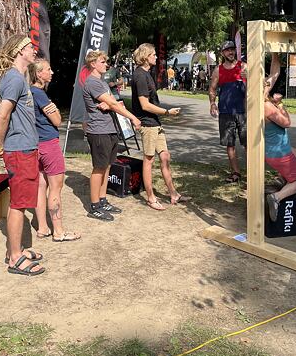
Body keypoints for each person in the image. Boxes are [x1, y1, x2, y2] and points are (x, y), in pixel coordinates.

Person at [0, 35, 44, 276]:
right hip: (19, 150)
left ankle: (16, 249)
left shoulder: (18, 78)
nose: (34, 50)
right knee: (19, 204)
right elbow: (2, 116)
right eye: (30, 47)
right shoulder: (14, 78)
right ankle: (14, 258)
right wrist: (0, 145)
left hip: (25, 149)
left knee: (22, 202)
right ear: (19, 51)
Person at [82, 50, 141, 221]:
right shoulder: (92, 82)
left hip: (109, 129)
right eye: (102, 62)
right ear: (93, 64)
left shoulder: (101, 82)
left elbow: (111, 103)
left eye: (106, 62)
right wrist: (133, 118)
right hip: (99, 131)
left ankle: (102, 200)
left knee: (107, 166)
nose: (106, 65)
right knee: (99, 168)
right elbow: (113, 103)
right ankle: (94, 206)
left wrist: (109, 104)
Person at [131, 43, 191, 210]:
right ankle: (150, 198)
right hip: (147, 124)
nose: (156, 57)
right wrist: (167, 112)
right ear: (145, 56)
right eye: (153, 54)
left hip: (155, 123)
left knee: (165, 156)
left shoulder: (147, 73)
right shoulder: (140, 76)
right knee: (149, 160)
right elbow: (145, 105)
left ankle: (174, 194)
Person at [28, 59, 81, 242]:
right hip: (49, 144)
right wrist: (55, 110)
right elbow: (57, 120)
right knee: (56, 188)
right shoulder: (40, 94)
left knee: (41, 186)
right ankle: (58, 231)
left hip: (36, 145)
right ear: (38, 74)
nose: (52, 72)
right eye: (48, 69)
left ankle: (42, 227)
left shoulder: (29, 92)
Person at [265, 54, 296, 221]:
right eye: (265, 84)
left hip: (275, 149)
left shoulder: (254, 99)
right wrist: (281, 105)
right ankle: (276, 198)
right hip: (279, 153)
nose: (268, 85)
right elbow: (287, 123)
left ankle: (282, 180)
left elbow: (274, 74)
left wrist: (275, 55)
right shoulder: (266, 106)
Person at [209, 40, 247, 183]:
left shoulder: (243, 66)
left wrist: (247, 77)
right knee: (230, 144)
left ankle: (253, 172)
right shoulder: (218, 70)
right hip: (225, 112)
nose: (230, 52)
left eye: (232, 49)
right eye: (227, 50)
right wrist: (212, 103)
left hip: (243, 112)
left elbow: (254, 85)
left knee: (247, 143)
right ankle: (236, 173)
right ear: (222, 53)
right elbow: (212, 89)